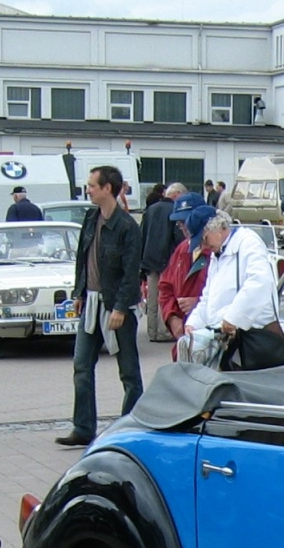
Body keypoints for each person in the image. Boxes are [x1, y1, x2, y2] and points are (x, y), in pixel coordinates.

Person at [60, 165, 143, 448]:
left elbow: (132, 272)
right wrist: (79, 291)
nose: (88, 189)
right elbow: (82, 258)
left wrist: (120, 308)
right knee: (82, 365)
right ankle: (83, 428)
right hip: (91, 302)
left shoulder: (127, 226)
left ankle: (130, 429)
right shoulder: (91, 216)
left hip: (117, 305)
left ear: (108, 188)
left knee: (129, 371)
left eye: (92, 185)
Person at [184, 210, 278, 343]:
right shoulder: (216, 253)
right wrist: (193, 323)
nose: (203, 246)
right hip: (227, 335)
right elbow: (208, 298)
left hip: (254, 335)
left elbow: (260, 282)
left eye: (204, 239)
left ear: (218, 227)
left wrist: (234, 317)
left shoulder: (248, 242)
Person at [159, 199, 215, 344]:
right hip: (185, 339)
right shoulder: (182, 249)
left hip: (210, 335)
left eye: (186, 221)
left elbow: (227, 295)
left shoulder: (216, 253)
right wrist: (172, 318)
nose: (184, 227)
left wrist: (198, 302)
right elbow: (165, 287)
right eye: (179, 223)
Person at [139, 182, 186, 342]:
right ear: (176, 195)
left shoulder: (150, 210)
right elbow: (178, 238)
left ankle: (152, 331)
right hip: (167, 260)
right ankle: (164, 331)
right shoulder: (174, 211)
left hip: (149, 259)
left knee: (152, 297)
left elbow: (143, 234)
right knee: (165, 296)